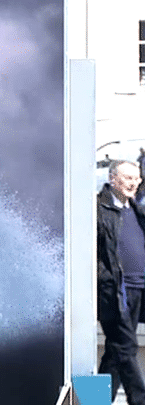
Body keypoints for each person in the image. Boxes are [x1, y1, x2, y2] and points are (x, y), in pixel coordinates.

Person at [98, 160, 145, 405]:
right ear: (113, 178)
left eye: (137, 178)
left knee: (115, 351)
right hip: (114, 291)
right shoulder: (99, 209)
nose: (134, 183)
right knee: (126, 347)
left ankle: (94, 402)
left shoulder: (137, 210)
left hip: (138, 288)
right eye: (128, 178)